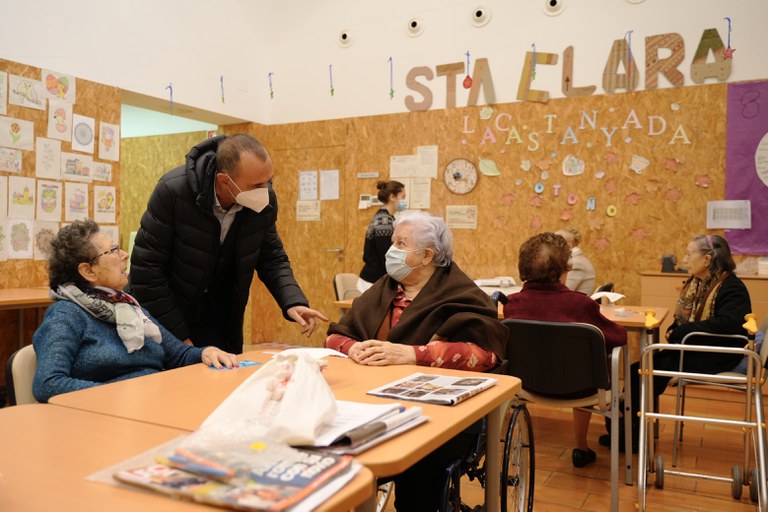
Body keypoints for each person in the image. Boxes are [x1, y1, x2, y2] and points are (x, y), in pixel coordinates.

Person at [326, 211, 507, 511]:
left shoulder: (459, 292)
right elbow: (334, 336)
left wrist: (413, 354)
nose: (390, 250)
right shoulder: (384, 288)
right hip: (371, 401)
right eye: (393, 242)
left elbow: (485, 354)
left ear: (427, 255)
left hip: (436, 413)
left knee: (419, 479)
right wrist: (352, 347)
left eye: (400, 243)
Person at [128, 134, 327, 354]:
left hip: (220, 312)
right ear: (224, 181)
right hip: (167, 311)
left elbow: (271, 257)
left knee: (224, 370)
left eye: (268, 181)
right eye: (257, 185)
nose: (265, 190)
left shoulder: (262, 201)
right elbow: (147, 270)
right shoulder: (173, 191)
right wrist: (179, 339)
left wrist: (293, 301)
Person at [33, 220, 239, 403]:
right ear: (88, 271)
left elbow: (179, 355)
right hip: (109, 418)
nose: (124, 255)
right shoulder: (65, 315)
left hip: (154, 403)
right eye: (113, 250)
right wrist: (123, 395)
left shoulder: (128, 307)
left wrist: (206, 352)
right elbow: (49, 384)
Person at [601, 234, 752, 451]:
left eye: (690, 254)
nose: (685, 259)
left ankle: (630, 435)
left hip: (719, 354)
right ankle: (631, 432)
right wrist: (676, 327)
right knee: (642, 368)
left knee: (641, 371)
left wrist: (682, 331)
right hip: (700, 349)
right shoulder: (699, 284)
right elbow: (690, 319)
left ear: (707, 259)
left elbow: (728, 324)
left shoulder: (731, 287)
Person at [502, 232, 627, 468]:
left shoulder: (512, 303)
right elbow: (618, 337)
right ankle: (581, 447)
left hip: (528, 387)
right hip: (580, 388)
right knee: (583, 365)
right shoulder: (581, 304)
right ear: (565, 268)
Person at [358, 180, 406, 293]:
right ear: (393, 197)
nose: (404, 201)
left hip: (377, 279)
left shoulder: (387, 217)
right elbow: (386, 255)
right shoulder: (384, 221)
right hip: (372, 281)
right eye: (403, 197)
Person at [555, 227, 595, 294]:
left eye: (554, 243)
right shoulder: (574, 260)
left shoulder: (576, 263)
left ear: (569, 245)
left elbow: (564, 291)